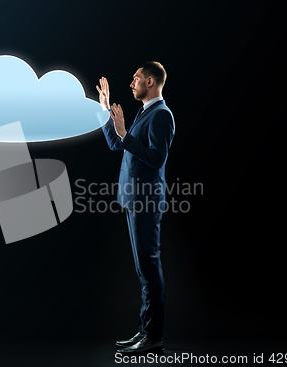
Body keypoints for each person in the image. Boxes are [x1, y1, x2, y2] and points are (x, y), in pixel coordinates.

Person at [96, 61, 175, 354]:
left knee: (149, 268)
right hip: (134, 200)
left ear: (151, 82)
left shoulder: (162, 115)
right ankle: (146, 332)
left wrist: (125, 133)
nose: (131, 84)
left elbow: (156, 159)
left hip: (146, 201)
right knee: (144, 269)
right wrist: (107, 112)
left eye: (136, 79)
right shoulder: (146, 112)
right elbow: (119, 146)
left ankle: (153, 338)